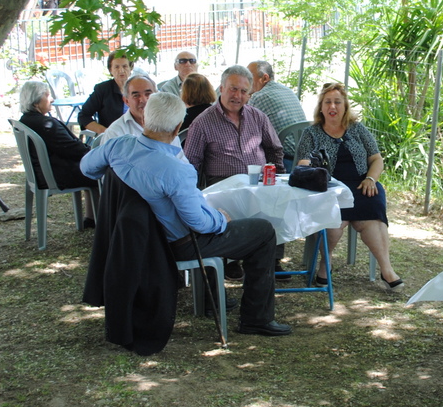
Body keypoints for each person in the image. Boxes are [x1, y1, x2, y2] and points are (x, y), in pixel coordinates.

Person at [80, 93, 291, 336]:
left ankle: (213, 298)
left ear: (146, 117)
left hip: (132, 240)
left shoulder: (119, 145)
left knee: (215, 217)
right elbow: (198, 223)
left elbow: (87, 168)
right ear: (179, 127)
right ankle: (256, 318)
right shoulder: (176, 170)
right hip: (174, 245)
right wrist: (222, 219)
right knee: (262, 231)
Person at [295, 82, 403, 292]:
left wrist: (371, 179)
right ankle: (325, 265)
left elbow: (377, 159)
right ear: (321, 107)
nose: (332, 106)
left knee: (373, 217)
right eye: (328, 102)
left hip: (363, 185)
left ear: (345, 106)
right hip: (329, 188)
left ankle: (387, 269)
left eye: (337, 102)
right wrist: (314, 174)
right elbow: (302, 164)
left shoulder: (357, 129)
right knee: (334, 221)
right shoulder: (312, 133)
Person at [183, 65, 285, 280]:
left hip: (257, 182)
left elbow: (274, 148)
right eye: (233, 89)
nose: (237, 96)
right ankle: (230, 257)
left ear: (250, 94)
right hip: (223, 184)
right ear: (221, 87)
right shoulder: (203, 122)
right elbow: (191, 162)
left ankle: (271, 258)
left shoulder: (258, 117)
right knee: (229, 205)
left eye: (243, 91)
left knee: (275, 200)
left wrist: (278, 176)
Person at [18, 80, 97, 225]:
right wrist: (96, 152)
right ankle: (103, 219)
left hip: (41, 172)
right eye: (47, 95)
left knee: (94, 168)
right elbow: (74, 150)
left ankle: (91, 218)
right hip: (56, 174)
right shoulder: (45, 124)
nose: (52, 99)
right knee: (102, 170)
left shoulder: (25, 120)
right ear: (36, 102)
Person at [247, 60, 306, 170]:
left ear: (265, 78)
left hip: (284, 162)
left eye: (249, 76)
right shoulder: (287, 90)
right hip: (304, 159)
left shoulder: (259, 97)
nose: (246, 80)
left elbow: (246, 132)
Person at [78, 51, 133, 134]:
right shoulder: (103, 89)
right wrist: (105, 131)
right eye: (116, 67)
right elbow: (84, 116)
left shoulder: (137, 88)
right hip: (113, 139)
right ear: (110, 70)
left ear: (130, 68)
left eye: (125, 66)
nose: (121, 70)